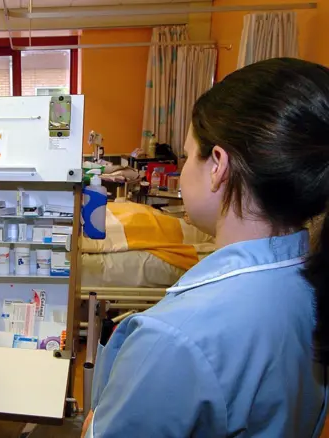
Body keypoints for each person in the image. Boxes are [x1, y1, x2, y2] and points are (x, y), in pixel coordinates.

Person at [84, 57, 329, 437]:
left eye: (186, 156)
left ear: (218, 165)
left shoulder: (175, 338)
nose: (182, 171)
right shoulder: (309, 287)